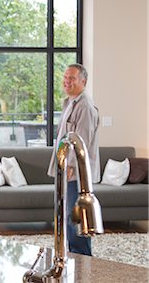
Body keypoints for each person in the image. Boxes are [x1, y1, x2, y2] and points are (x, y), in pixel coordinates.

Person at [47, 63, 100, 256]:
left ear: (83, 82)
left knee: (75, 217)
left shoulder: (85, 106)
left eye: (72, 78)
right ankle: (71, 255)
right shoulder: (70, 102)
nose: (67, 81)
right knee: (66, 215)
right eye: (66, 77)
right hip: (66, 171)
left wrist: (69, 166)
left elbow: (81, 142)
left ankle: (82, 258)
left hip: (76, 173)